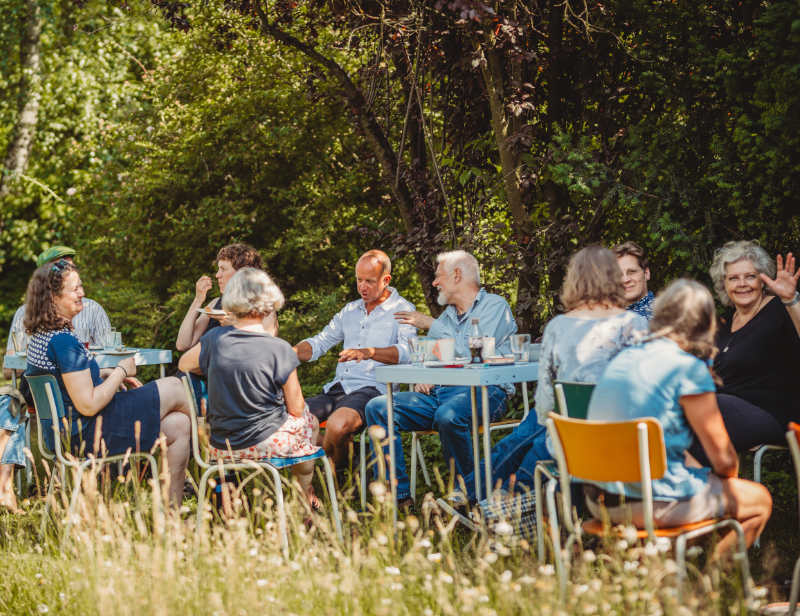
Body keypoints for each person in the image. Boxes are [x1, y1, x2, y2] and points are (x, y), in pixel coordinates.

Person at [586, 279, 772, 554]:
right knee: (758, 499)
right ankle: (710, 589)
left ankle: (665, 578)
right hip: (646, 502)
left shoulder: (624, 359)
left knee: (701, 485)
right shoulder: (687, 369)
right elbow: (724, 460)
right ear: (705, 325)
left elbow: (659, 443)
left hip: (595, 496)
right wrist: (724, 477)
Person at [458, 245, 648, 502]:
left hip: (573, 438)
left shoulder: (558, 327)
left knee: (540, 430)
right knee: (539, 433)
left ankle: (508, 495)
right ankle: (515, 494)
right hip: (623, 436)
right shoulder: (635, 324)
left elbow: (546, 405)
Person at [23, 260, 191, 506]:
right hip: (87, 433)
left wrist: (103, 373)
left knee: (179, 425)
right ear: (52, 297)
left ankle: (171, 512)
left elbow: (66, 381)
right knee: (175, 386)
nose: (83, 293)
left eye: (81, 286)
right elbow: (88, 404)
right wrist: (121, 371)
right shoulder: (62, 341)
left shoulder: (42, 337)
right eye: (75, 289)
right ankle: (222, 451)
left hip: (64, 433)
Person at [367, 250, 517, 506]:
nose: (435, 283)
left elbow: (476, 351)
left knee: (448, 416)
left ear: (457, 275)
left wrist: (430, 324)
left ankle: (470, 498)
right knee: (379, 407)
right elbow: (433, 357)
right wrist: (426, 375)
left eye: (438, 276)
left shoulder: (495, 306)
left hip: (487, 392)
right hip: (441, 394)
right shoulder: (448, 317)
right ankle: (397, 498)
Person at [178, 268, 320, 508]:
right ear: (268, 303)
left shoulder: (215, 341)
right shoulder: (279, 349)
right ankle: (303, 496)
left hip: (220, 446)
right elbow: (296, 408)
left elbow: (184, 363)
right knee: (310, 421)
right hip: (264, 444)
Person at [293, 250, 415, 471]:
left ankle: (337, 476)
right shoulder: (349, 310)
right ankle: (354, 457)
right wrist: (287, 352)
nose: (362, 287)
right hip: (338, 389)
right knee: (289, 422)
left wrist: (369, 352)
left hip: (374, 390)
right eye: (359, 280)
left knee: (337, 426)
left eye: (369, 281)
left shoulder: (402, 309)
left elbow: (408, 352)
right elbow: (319, 342)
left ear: (386, 280)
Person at [689, 241, 800, 463]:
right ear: (724, 284)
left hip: (773, 414)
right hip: (726, 413)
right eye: (733, 278)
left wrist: (791, 299)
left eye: (749, 276)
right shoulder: (722, 326)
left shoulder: (780, 308)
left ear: (763, 279)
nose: (742, 284)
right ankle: (693, 491)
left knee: (704, 407)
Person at [4, 245, 111, 379]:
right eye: (61, 268)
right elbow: (8, 370)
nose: (69, 272)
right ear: (46, 280)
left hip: (88, 384)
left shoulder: (93, 308)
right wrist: (53, 361)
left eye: (71, 268)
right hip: (66, 394)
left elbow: (111, 357)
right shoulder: (25, 314)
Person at [175, 243, 269, 352]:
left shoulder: (264, 309)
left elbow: (264, 350)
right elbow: (183, 344)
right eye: (218, 269)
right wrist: (198, 300)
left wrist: (236, 326)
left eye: (223, 269)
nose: (217, 275)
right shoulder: (215, 304)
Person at [613, 241, 655, 319]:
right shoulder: (607, 319)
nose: (625, 280)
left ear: (646, 273)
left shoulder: (664, 316)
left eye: (632, 272)